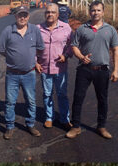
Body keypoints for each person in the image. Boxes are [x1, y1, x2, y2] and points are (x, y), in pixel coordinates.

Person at [66, 0, 118, 140]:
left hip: (102, 70)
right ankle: (76, 126)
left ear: (103, 12)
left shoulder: (110, 29)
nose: (95, 13)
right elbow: (74, 46)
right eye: (93, 10)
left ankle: (101, 126)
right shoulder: (81, 29)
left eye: (98, 10)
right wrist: (81, 57)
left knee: (102, 99)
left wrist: (116, 70)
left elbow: (116, 50)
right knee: (78, 98)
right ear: (89, 11)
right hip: (84, 69)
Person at [0, 6, 44, 139]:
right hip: (12, 74)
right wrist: (14, 57)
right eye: (20, 15)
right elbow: (1, 49)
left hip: (29, 73)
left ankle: (30, 124)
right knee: (10, 102)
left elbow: (40, 48)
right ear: (15, 16)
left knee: (31, 101)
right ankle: (10, 127)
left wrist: (31, 59)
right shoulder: (8, 30)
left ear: (28, 16)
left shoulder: (34, 30)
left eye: (25, 15)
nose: (22, 17)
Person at [36, 2, 73, 131]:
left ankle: (64, 119)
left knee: (62, 94)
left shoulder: (66, 27)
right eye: (47, 12)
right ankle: (49, 118)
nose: (50, 14)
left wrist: (66, 55)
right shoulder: (38, 28)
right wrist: (35, 62)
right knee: (47, 94)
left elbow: (71, 45)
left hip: (60, 68)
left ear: (58, 14)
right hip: (45, 67)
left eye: (52, 12)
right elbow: (33, 47)